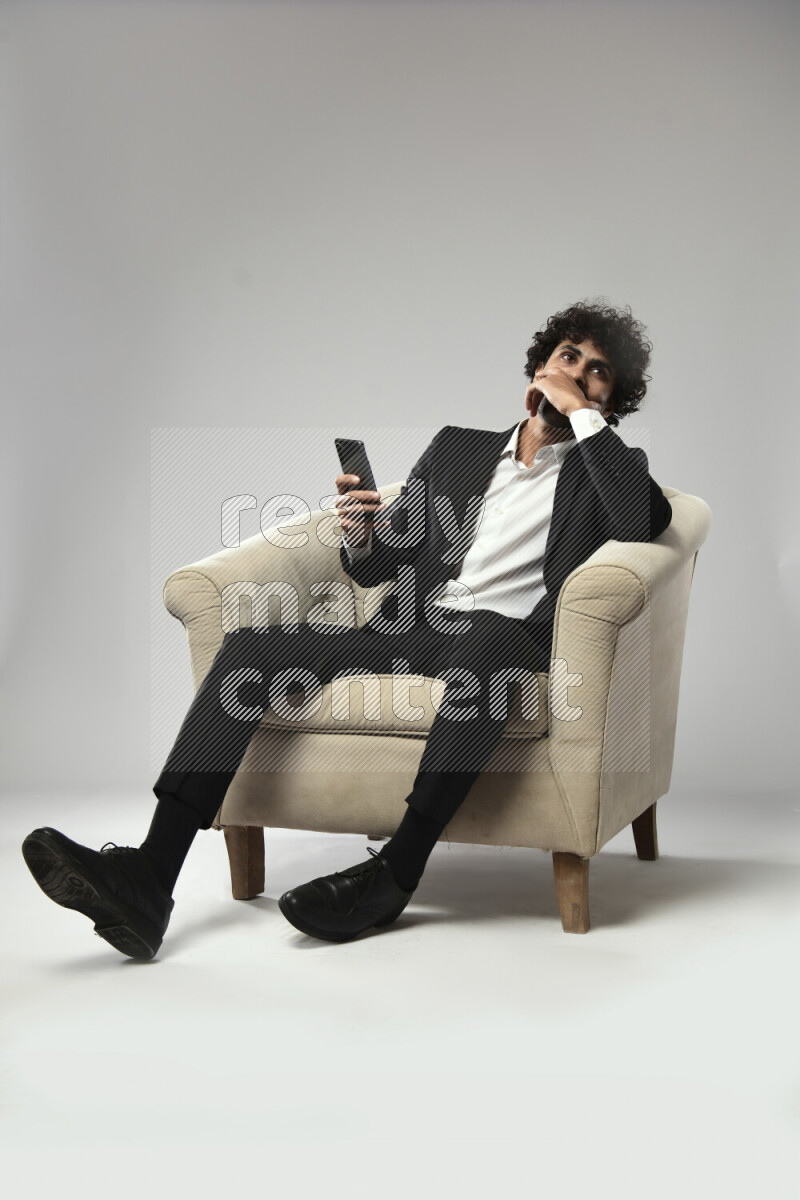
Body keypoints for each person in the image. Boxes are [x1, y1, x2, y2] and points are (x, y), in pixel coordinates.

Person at [21, 300, 672, 958]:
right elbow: (383, 562)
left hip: (505, 644)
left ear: (610, 406)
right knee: (249, 649)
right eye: (569, 359)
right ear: (536, 367)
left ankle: (396, 872)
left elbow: (638, 524)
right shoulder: (458, 449)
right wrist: (363, 536)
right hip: (408, 632)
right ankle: (149, 876)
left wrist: (584, 414)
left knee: (490, 638)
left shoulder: (615, 473)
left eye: (599, 375)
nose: (578, 376)